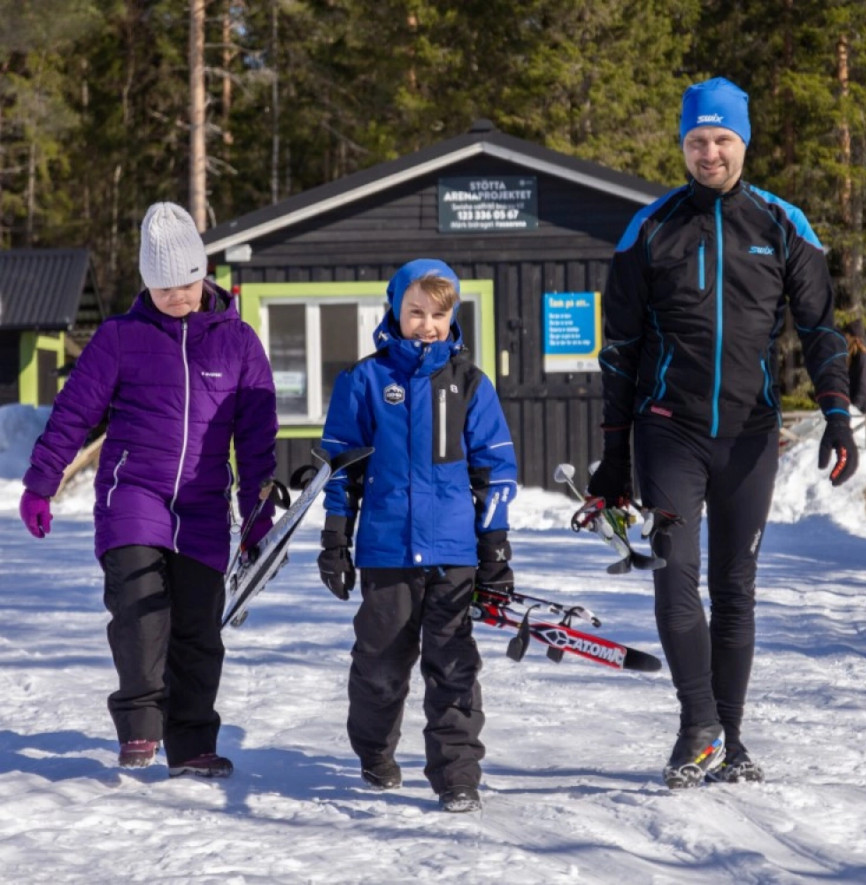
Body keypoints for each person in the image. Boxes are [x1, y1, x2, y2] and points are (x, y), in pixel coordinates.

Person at [588, 77, 859, 789]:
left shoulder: (781, 224)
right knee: (673, 577)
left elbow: (820, 328)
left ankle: (729, 740)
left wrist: (836, 413)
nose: (708, 153)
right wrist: (614, 454)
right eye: (696, 141)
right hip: (667, 431)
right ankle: (697, 726)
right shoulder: (649, 228)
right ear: (682, 145)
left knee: (735, 587)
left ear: (744, 142)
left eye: (721, 139)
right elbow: (619, 349)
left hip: (748, 435)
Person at [19, 202, 278, 777]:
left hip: (204, 505)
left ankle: (192, 744)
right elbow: (72, 414)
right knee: (139, 613)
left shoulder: (238, 343)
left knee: (197, 630)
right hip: (133, 493)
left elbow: (256, 437)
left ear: (202, 272)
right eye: (162, 288)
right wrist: (42, 483)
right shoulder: (120, 337)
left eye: (185, 284)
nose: (176, 297)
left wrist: (257, 512)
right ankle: (140, 725)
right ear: (145, 284)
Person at [317, 258, 517, 813]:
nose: (427, 325)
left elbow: (496, 472)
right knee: (379, 666)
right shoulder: (363, 381)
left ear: (452, 316)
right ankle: (375, 752)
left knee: (454, 667)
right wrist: (335, 541)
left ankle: (457, 776)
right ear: (395, 311)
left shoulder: (471, 384)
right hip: (387, 552)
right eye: (415, 312)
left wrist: (495, 550)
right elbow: (340, 470)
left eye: (438, 314)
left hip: (454, 552)